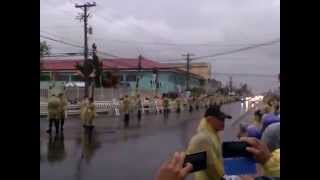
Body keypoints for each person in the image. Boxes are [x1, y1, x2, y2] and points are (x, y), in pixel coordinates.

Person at [186, 105, 232, 180]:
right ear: (209, 119)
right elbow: (210, 165)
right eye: (220, 119)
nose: (223, 122)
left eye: (224, 119)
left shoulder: (213, 135)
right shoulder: (203, 138)